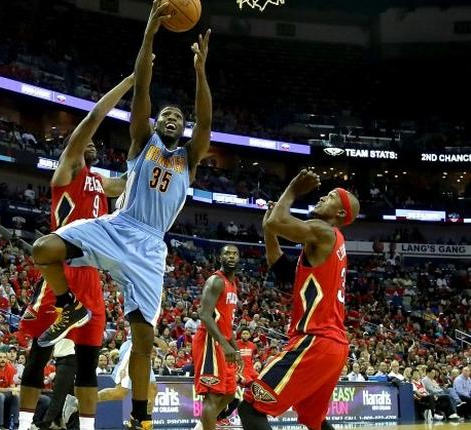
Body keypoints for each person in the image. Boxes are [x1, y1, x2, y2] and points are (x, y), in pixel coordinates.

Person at [31, 2, 213, 427]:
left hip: (151, 246)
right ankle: (67, 306)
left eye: (176, 117)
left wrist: (201, 73)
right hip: (119, 226)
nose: (170, 118)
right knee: (44, 248)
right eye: (165, 115)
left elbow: (205, 123)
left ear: (181, 129)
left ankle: (141, 418)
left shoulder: (191, 157)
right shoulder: (140, 143)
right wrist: (149, 35)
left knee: (144, 338)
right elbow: (143, 94)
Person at [19, 74, 133, 430]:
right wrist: (130, 82)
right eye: (87, 143)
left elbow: (131, 180)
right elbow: (92, 119)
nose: (93, 144)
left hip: (91, 276)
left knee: (88, 363)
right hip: (62, 269)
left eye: (96, 145)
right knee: (38, 354)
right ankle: (22, 426)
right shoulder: (66, 171)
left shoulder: (100, 182)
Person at [238, 171, 360, 430]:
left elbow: (278, 222)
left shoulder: (324, 231)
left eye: (329, 198)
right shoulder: (325, 244)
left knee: (250, 406)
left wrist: (292, 189)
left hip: (316, 340)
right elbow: (281, 269)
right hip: (334, 346)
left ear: (340, 214)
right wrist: (268, 230)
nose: (321, 198)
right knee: (313, 420)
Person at [193, 245, 241, 430]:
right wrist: (225, 344)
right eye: (227, 253)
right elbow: (204, 314)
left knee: (229, 393)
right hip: (209, 341)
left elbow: (227, 323)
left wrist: (234, 347)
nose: (231, 256)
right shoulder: (216, 281)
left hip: (223, 341)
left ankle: (203, 425)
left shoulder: (233, 283)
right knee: (212, 396)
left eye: (234, 253)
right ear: (219, 257)